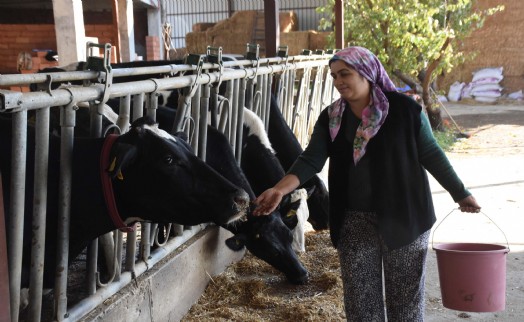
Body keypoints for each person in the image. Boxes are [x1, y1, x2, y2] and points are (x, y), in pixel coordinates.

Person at [253, 46, 481, 321]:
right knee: (362, 303)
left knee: (406, 302)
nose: (338, 82)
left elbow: (431, 154)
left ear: (367, 73)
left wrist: (460, 193)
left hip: (404, 217)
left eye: (345, 74)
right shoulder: (332, 117)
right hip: (353, 220)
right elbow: (311, 159)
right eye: (334, 76)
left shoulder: (406, 110)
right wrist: (279, 189)